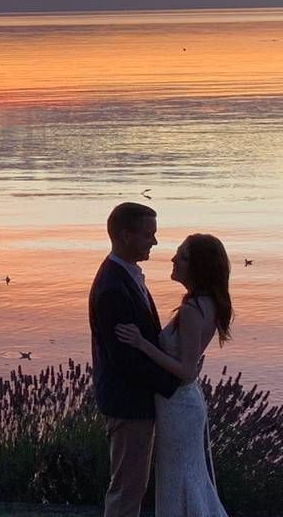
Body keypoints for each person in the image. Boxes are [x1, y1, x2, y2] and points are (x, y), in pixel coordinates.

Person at [116, 233, 233, 516]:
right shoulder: (205, 303)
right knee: (184, 477)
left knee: (179, 478)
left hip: (179, 405)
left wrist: (142, 344)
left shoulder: (194, 309)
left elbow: (186, 372)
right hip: (178, 406)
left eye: (180, 255)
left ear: (197, 266)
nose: (172, 258)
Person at [88, 202, 181, 517]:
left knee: (132, 486)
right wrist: (175, 383)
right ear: (125, 236)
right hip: (128, 403)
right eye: (148, 235)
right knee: (127, 490)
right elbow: (124, 360)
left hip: (134, 401)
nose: (154, 242)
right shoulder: (113, 287)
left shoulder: (126, 276)